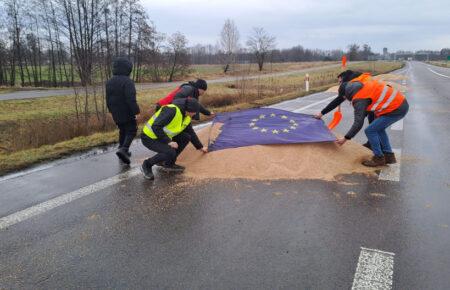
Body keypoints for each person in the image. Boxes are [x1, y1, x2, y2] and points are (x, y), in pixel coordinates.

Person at [333, 72, 409, 167]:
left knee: (370, 130)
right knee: (379, 129)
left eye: (344, 97)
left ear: (347, 93)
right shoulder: (362, 86)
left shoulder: (359, 97)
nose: (346, 99)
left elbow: (358, 122)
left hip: (396, 108)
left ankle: (379, 158)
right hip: (399, 104)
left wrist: (345, 138)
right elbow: (363, 113)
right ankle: (388, 155)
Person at [140, 98, 208, 179]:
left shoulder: (186, 116)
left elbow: (191, 133)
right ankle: (147, 164)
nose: (195, 114)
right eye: (195, 112)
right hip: (149, 137)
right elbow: (155, 126)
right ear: (189, 110)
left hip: (161, 136)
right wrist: (169, 141)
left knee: (186, 137)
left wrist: (200, 147)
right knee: (170, 152)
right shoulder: (171, 110)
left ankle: (168, 163)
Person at [314, 70, 375, 148]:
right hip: (371, 99)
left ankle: (376, 149)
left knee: (372, 125)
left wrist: (346, 138)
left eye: (340, 82)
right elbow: (339, 99)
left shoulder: (354, 81)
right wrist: (322, 113)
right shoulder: (354, 80)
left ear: (343, 78)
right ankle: (373, 144)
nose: (339, 84)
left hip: (374, 99)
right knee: (372, 125)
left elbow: (340, 98)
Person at [106, 57, 140, 165]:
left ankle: (122, 148)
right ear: (127, 69)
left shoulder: (109, 81)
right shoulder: (128, 81)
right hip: (127, 111)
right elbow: (131, 99)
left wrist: (111, 111)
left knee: (122, 130)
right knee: (132, 130)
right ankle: (124, 149)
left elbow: (107, 98)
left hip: (115, 111)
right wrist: (136, 111)